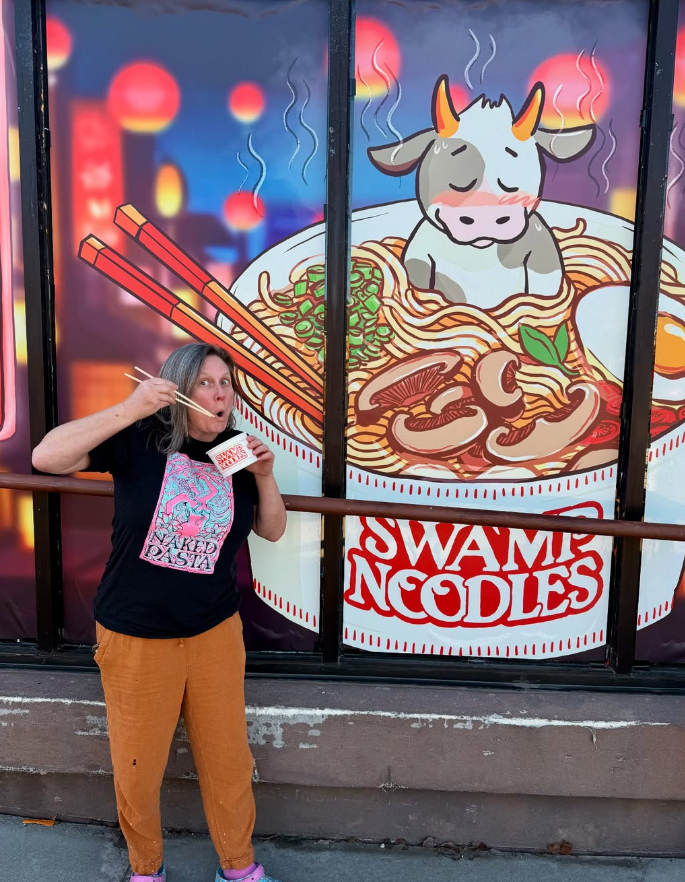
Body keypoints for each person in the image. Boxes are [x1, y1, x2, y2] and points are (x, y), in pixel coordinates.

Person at [32, 343, 287, 882]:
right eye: (205, 383)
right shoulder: (143, 440)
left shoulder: (234, 450)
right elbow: (46, 458)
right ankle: (146, 869)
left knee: (229, 764)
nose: (219, 394)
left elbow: (271, 530)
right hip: (136, 633)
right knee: (137, 768)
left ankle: (239, 868)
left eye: (225, 383)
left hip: (216, 630)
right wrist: (129, 409)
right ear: (176, 390)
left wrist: (265, 476)